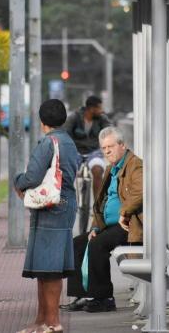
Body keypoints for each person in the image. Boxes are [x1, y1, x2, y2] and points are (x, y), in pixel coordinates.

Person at [14, 99, 80, 333]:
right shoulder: (69, 142)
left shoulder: (47, 143)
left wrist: (18, 182)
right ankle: (41, 320)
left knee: (50, 267)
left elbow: (32, 176)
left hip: (51, 207)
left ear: (42, 122)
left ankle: (53, 322)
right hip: (65, 204)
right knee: (47, 265)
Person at [60, 126, 143, 313]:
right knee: (77, 243)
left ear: (122, 145)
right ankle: (83, 295)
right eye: (104, 148)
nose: (107, 151)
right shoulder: (110, 169)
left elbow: (139, 192)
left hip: (129, 225)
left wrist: (125, 212)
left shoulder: (135, 165)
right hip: (110, 225)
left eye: (111, 147)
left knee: (97, 245)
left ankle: (104, 298)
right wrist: (96, 227)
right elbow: (101, 205)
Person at [63, 95, 112, 232]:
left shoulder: (101, 119)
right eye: (99, 107)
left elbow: (110, 131)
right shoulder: (74, 117)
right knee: (67, 172)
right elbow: (65, 133)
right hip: (76, 151)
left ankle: (98, 207)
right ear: (91, 108)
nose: (102, 110)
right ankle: (65, 201)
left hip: (94, 152)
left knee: (97, 170)